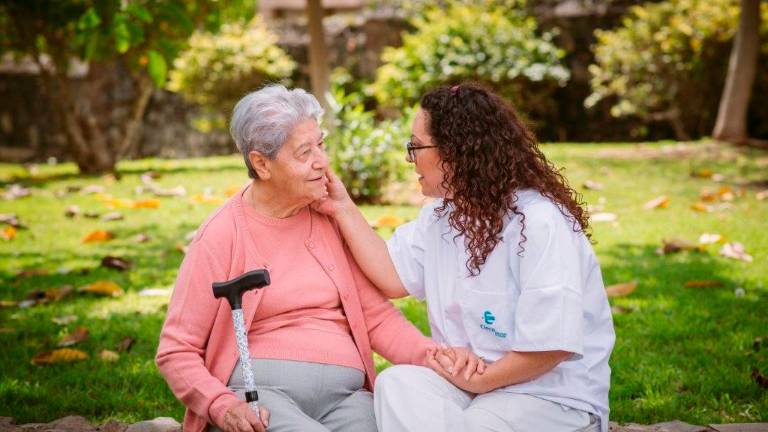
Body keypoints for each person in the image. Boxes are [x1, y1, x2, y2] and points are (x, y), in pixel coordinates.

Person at [156, 85, 474, 432]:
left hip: (348, 397)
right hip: (264, 397)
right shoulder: (220, 236)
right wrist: (223, 407)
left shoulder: (326, 220)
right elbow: (176, 351)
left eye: (320, 145)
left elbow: (376, 317)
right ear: (261, 163)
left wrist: (432, 355)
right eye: (304, 152)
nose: (321, 161)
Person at [314, 82, 615, 432]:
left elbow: (551, 348)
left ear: (454, 152)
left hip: (549, 396)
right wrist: (342, 207)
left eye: (415, 146)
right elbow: (391, 275)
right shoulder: (442, 217)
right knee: (397, 384)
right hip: (472, 388)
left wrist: (481, 381)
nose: (409, 157)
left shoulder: (539, 222)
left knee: (475, 424)